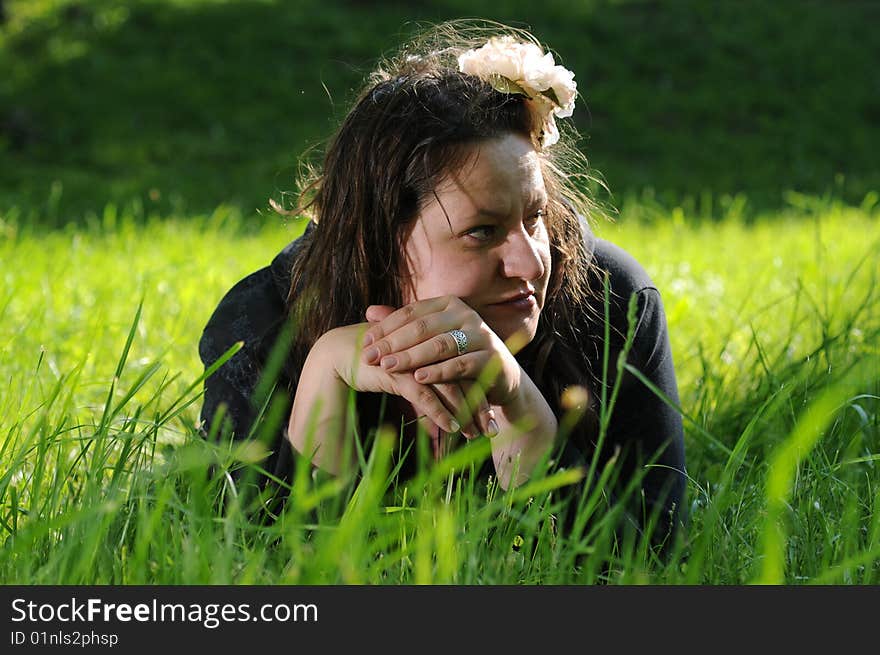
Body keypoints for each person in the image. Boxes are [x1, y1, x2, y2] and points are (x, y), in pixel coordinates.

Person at [198, 21, 686, 540]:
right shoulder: (265, 323)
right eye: (482, 232)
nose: (530, 263)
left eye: (535, 218)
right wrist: (327, 372)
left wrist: (519, 406)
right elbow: (254, 560)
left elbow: (653, 556)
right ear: (379, 242)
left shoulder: (612, 302)